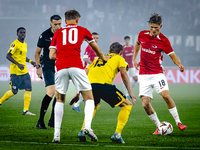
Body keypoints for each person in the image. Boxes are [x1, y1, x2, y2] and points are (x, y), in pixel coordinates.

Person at [49, 9, 107, 143]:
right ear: (77, 20)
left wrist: (63, 54)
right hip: (76, 66)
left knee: (59, 99)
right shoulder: (82, 30)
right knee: (89, 98)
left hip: (61, 67)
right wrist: (102, 58)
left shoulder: (58, 32)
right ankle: (87, 127)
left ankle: (56, 135)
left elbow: (51, 56)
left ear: (64, 20)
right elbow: (95, 47)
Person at [70, 42, 136, 143]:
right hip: (104, 86)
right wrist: (130, 93)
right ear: (121, 52)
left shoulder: (97, 59)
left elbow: (85, 73)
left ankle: (83, 130)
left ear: (109, 51)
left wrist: (78, 92)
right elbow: (123, 74)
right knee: (127, 105)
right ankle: (117, 135)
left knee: (94, 106)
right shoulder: (119, 58)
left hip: (89, 86)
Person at [133, 13, 187, 135]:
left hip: (157, 74)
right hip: (144, 75)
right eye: (151, 27)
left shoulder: (164, 41)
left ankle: (178, 122)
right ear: (149, 25)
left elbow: (173, 55)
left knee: (166, 96)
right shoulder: (142, 34)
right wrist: (135, 59)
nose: (153, 30)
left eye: (156, 28)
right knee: (145, 105)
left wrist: (179, 65)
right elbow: (137, 44)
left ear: (160, 27)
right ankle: (159, 127)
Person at [0, 27, 36, 115]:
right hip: (15, 72)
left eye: (24, 32)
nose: (23, 34)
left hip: (24, 72)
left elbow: (23, 57)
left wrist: (31, 62)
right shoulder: (14, 44)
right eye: (21, 32)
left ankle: (25, 110)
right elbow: (8, 56)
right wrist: (18, 64)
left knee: (29, 88)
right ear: (17, 34)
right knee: (14, 92)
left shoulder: (25, 45)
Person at [35, 15, 62, 129]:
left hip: (60, 66)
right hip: (48, 66)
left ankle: (52, 121)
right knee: (51, 92)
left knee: (58, 93)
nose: (57, 26)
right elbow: (37, 53)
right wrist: (38, 67)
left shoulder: (63, 34)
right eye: (55, 24)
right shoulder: (44, 35)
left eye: (59, 24)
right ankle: (40, 121)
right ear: (50, 23)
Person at [72, 32, 99, 112]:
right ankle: (76, 104)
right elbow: (85, 58)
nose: (95, 39)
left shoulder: (95, 47)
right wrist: (94, 64)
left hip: (92, 71)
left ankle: (82, 102)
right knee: (88, 88)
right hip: (88, 71)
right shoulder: (89, 47)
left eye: (97, 38)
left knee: (88, 88)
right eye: (94, 38)